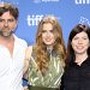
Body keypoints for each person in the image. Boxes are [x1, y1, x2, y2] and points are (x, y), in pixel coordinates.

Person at [24, 15, 66, 90]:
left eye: (51, 31)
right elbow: (18, 73)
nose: (48, 35)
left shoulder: (63, 53)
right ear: (40, 34)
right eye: (44, 31)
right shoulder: (31, 50)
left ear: (57, 33)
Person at [0, 2, 27, 90]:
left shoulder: (23, 45)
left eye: (10, 20)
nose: (6, 25)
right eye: (1, 20)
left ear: (16, 23)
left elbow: (26, 74)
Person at [62, 24, 90, 90]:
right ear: (71, 43)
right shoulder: (63, 67)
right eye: (76, 38)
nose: (80, 42)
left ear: (89, 43)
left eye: (84, 38)